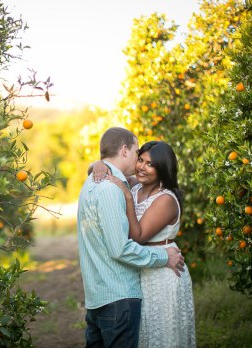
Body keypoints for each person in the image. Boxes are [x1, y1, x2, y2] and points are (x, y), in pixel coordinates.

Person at [77, 127, 185, 348]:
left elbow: (135, 237)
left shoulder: (104, 185)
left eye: (149, 163)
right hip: (123, 286)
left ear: (162, 168)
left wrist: (106, 170)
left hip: (152, 277)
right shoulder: (118, 186)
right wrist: (100, 164)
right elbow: (121, 248)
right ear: (125, 150)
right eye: (139, 155)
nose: (140, 164)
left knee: (162, 338)